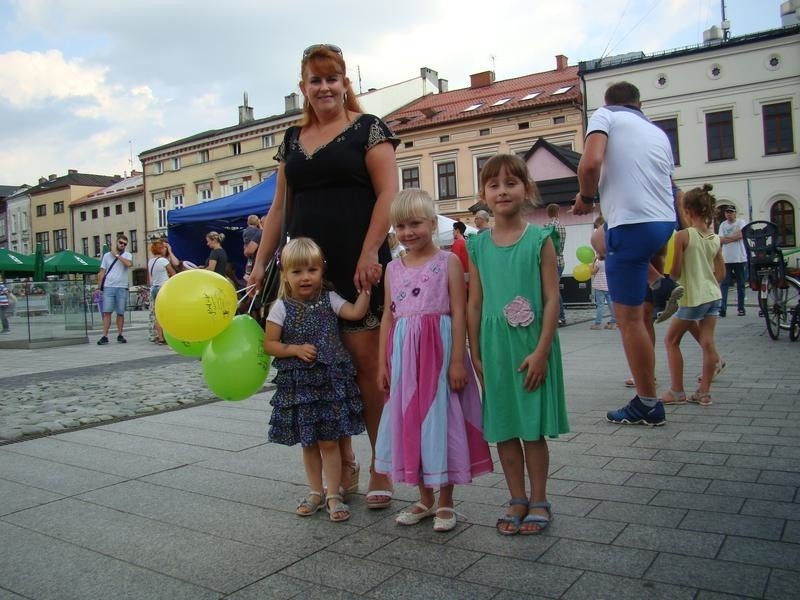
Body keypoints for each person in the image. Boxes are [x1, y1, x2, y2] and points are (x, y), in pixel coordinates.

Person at [248, 44, 399, 508]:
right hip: (304, 273)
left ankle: (383, 469)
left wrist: (371, 250)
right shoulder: (292, 139)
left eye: (332, 78)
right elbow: (279, 207)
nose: (325, 87)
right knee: (323, 372)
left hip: (358, 263)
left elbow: (389, 193)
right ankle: (343, 465)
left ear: (344, 83)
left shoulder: (368, 129)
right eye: (315, 80)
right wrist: (259, 264)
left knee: (367, 373)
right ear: (303, 88)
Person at [375, 189, 492, 532]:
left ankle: (445, 500)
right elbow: (387, 317)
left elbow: (458, 311)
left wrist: (459, 359)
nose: (408, 232)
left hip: (440, 355)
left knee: (444, 419)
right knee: (411, 421)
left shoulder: (448, 261)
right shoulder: (392, 268)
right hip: (405, 360)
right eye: (400, 226)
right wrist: (384, 363)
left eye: (415, 223)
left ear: (431, 222)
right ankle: (424, 497)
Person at [467, 154, 569, 535]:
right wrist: (473, 349)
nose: (502, 191)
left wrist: (542, 350)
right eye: (493, 185)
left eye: (511, 183)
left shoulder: (540, 239)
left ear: (527, 189)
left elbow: (552, 298)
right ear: (484, 194)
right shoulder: (477, 246)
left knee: (531, 428)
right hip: (494, 348)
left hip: (530, 345)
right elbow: (474, 300)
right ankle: (516, 498)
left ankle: (539, 498)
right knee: (505, 427)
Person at [572, 81, 676, 427]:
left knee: (628, 321)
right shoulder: (656, 131)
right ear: (638, 102)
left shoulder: (604, 116)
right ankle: (659, 282)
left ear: (608, 102)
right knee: (643, 312)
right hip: (663, 223)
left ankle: (647, 403)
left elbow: (590, 163)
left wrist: (585, 198)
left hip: (631, 223)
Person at [263, 237, 370, 522]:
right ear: (285, 274)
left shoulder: (330, 299)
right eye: (297, 272)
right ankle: (314, 491)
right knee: (309, 443)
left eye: (311, 270)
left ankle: (334, 493)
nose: (305, 277)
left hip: (330, 383)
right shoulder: (281, 307)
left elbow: (356, 312)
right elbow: (270, 344)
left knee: (329, 442)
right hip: (301, 386)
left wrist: (367, 290)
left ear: (321, 271)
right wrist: (294, 349)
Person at [659, 185, 725, 407]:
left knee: (671, 340)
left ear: (687, 210)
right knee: (707, 342)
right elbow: (721, 272)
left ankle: (677, 391)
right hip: (713, 295)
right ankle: (704, 392)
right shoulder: (715, 238)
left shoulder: (682, 236)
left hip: (692, 296)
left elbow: (675, 272)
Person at [96, 234, 133, 345]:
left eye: (125, 244)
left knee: (120, 312)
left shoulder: (127, 255)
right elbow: (102, 272)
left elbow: (129, 264)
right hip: (109, 286)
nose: (122, 245)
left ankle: (120, 334)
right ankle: (104, 335)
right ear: (116, 242)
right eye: (121, 243)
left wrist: (117, 255)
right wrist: (99, 287)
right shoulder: (107, 256)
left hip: (122, 287)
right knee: (107, 312)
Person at [718, 205, 748, 317]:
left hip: (739, 257)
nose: (729, 214)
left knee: (741, 284)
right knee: (724, 284)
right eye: (727, 212)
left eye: (731, 212)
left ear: (735, 213)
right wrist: (732, 237)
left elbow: (741, 235)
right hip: (727, 259)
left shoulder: (741, 222)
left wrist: (727, 239)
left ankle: (741, 308)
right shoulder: (723, 224)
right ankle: (723, 308)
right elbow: (720, 239)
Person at [147, 239, 176, 344]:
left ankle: (160, 338)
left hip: (154, 288)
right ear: (160, 249)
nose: (165, 249)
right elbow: (173, 273)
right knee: (166, 313)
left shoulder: (150, 261)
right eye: (163, 247)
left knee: (157, 314)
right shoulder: (164, 261)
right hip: (163, 288)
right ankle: (168, 336)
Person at [546, 203, 567, 326]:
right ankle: (560, 316)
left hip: (551, 262)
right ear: (558, 212)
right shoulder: (562, 226)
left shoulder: (547, 226)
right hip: (560, 260)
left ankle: (559, 316)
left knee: (552, 290)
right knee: (555, 289)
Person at [590, 256, 616, 330]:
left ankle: (598, 324)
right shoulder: (611, 261)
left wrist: (593, 262)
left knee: (600, 305)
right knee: (611, 305)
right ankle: (613, 323)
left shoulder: (599, 262)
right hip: (609, 286)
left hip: (599, 287)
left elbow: (592, 272)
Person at [451, 221, 469, 290]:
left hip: (460, 279)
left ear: (457, 230)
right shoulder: (467, 242)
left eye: (453, 230)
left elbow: (454, 263)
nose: (452, 232)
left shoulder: (457, 243)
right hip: (469, 278)